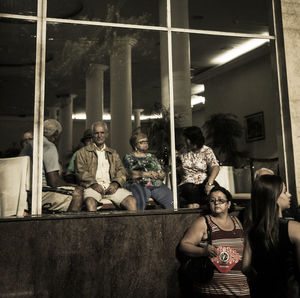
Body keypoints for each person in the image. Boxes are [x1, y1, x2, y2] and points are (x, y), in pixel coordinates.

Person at [179, 186, 250, 297]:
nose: (216, 203)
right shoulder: (203, 222)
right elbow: (184, 246)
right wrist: (203, 251)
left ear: (229, 204)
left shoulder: (237, 221)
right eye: (212, 201)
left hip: (240, 290)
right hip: (212, 291)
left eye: (221, 200)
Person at [242, 175, 300, 298]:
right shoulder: (294, 228)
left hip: (261, 291)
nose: (289, 195)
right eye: (284, 191)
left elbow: (245, 267)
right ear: (274, 197)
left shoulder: (251, 230)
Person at [20, 119, 83, 212]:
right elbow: (54, 182)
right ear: (56, 134)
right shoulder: (48, 146)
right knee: (78, 193)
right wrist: (72, 185)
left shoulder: (30, 144)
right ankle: (68, 226)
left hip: (24, 191)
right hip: (39, 193)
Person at [75, 121, 137, 211]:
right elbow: (80, 172)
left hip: (111, 188)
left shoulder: (113, 153)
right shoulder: (82, 152)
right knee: (90, 202)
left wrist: (116, 183)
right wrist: (94, 184)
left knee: (131, 201)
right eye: (96, 133)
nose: (99, 136)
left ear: (107, 134)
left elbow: (122, 170)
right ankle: (95, 225)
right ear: (92, 135)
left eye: (102, 133)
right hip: (92, 188)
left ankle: (131, 225)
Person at [123, 132, 173, 210]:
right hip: (138, 184)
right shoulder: (128, 157)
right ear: (134, 144)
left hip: (155, 184)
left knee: (169, 197)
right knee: (140, 199)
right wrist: (148, 174)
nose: (145, 144)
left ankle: (171, 219)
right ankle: (140, 220)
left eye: (146, 142)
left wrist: (160, 174)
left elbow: (160, 171)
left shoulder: (151, 157)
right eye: (142, 142)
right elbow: (130, 173)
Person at [178, 126, 220, 208]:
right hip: (188, 182)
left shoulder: (206, 150)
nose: (186, 141)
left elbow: (215, 166)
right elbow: (176, 167)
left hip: (203, 181)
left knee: (214, 187)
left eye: (187, 139)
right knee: (190, 189)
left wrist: (210, 182)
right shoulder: (182, 151)